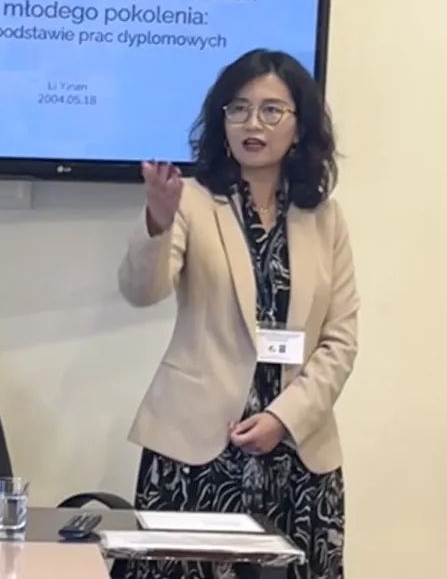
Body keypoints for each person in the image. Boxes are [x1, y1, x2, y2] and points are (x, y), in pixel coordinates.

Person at [118, 49, 359, 579]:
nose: (253, 123)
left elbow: (340, 339)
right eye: (239, 109)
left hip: (298, 450)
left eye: (272, 110)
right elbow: (141, 290)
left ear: (299, 127)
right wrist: (157, 222)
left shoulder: (325, 218)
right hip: (198, 448)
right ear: (221, 120)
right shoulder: (191, 201)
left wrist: (284, 418)